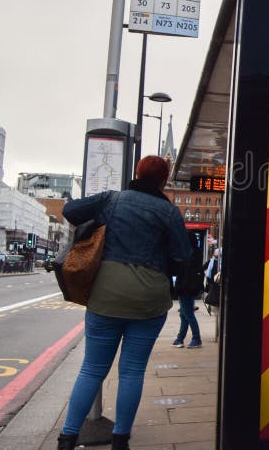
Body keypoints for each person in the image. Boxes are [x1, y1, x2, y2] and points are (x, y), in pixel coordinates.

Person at [57, 156, 192, 450]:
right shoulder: (168, 212)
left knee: (92, 368)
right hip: (149, 299)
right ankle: (120, 440)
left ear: (136, 173)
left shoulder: (112, 200)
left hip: (106, 294)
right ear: (164, 181)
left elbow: (70, 210)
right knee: (132, 371)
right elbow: (183, 257)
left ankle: (67, 438)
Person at [172, 241, 204, 348]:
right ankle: (180, 338)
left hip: (185, 289)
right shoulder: (194, 254)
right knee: (184, 314)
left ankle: (196, 338)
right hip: (188, 289)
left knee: (188, 314)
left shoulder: (187, 255)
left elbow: (183, 274)